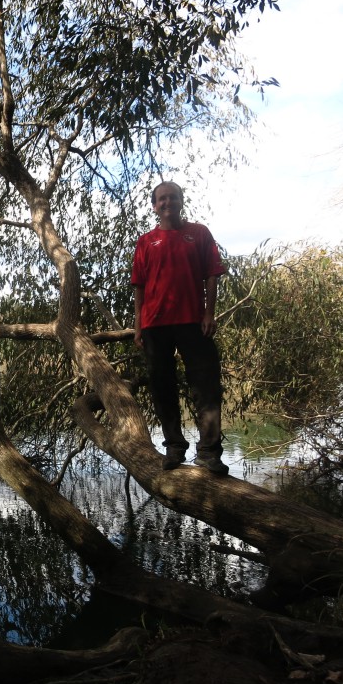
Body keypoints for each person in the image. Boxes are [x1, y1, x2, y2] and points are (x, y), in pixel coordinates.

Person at [131, 181, 229, 475]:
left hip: (192, 321)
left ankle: (209, 453)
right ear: (154, 205)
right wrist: (138, 327)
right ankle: (174, 446)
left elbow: (211, 275)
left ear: (181, 201)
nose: (167, 202)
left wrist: (209, 313)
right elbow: (139, 287)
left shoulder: (198, 233)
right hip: (154, 325)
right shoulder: (146, 242)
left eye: (173, 197)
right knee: (163, 388)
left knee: (206, 387)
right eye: (162, 199)